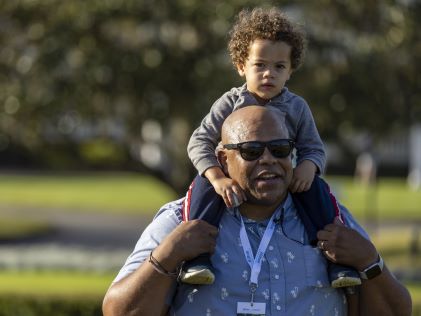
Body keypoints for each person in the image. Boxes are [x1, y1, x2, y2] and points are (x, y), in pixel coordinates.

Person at [103, 106, 412, 316]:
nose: (268, 160)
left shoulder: (331, 220)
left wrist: (370, 262)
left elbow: (397, 310)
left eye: (279, 150)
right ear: (223, 160)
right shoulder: (182, 220)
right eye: (251, 151)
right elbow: (118, 310)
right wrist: (168, 255)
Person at [181, 6, 359, 288]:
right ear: (241, 65)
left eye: (279, 67)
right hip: (234, 178)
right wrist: (217, 177)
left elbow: (314, 148)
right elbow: (199, 141)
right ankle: (196, 259)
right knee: (201, 190)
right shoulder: (230, 103)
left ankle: (336, 262)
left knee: (319, 192)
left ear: (290, 71)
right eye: (260, 65)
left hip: (283, 178)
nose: (269, 74)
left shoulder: (297, 107)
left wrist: (307, 167)